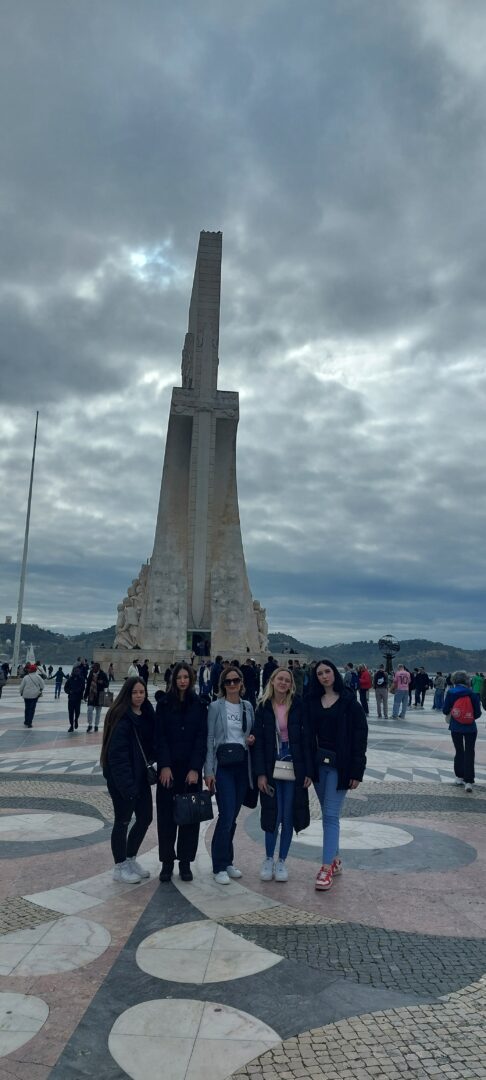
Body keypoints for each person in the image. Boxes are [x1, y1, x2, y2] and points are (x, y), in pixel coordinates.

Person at [304, 659, 367, 891]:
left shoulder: (350, 702)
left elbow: (360, 737)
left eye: (327, 671)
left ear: (334, 673)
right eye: (319, 673)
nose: (324, 676)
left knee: (330, 816)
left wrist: (357, 771)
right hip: (319, 765)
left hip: (340, 766)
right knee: (328, 815)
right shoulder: (312, 701)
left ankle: (325, 868)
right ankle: (335, 860)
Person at [254, 667, 312, 882]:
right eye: (280, 679)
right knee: (273, 814)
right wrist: (260, 773)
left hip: (293, 764)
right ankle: (268, 858)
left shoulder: (298, 705)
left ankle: (281, 861)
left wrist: (308, 771)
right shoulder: (262, 706)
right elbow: (259, 742)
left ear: (291, 684)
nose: (283, 683)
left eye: (287, 680)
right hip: (271, 764)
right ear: (272, 681)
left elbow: (306, 740)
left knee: (288, 815)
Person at [156, 662, 208, 883]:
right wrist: (164, 765)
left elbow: (201, 738)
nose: (182, 681)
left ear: (191, 679)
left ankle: (185, 862)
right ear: (173, 679)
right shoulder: (163, 704)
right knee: (166, 817)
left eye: (186, 677)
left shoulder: (200, 705)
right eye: (179, 677)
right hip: (168, 770)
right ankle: (167, 862)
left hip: (190, 770)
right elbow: (159, 736)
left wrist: (196, 768)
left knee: (190, 816)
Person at [100, 676, 155, 883]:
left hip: (141, 778)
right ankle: (120, 866)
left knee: (145, 818)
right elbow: (117, 756)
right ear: (127, 694)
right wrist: (127, 787)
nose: (139, 696)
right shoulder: (121, 717)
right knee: (122, 821)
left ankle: (130, 859)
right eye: (135, 692)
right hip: (123, 781)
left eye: (142, 692)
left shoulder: (147, 714)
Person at [204, 665, 255, 884]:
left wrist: (251, 739)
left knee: (233, 817)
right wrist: (208, 771)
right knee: (225, 815)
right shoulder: (216, 707)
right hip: (223, 765)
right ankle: (218, 865)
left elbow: (250, 732)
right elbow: (209, 738)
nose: (232, 684)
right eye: (228, 681)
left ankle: (227, 861)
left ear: (241, 683)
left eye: (236, 680)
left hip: (242, 765)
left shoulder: (248, 706)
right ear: (223, 685)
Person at [443, 671, 481, 793]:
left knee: (459, 751)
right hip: (470, 728)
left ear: (454, 680)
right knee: (470, 752)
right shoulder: (472, 693)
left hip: (456, 727)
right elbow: (478, 713)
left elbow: (445, 710)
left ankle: (459, 776)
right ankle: (469, 781)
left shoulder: (451, 693)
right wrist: (468, 717)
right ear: (466, 680)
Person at [84, 662, 109, 732]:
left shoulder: (103, 674)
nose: (93, 669)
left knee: (98, 712)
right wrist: (85, 695)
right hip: (91, 694)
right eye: (93, 668)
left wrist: (102, 682)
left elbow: (107, 684)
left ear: (98, 668)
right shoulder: (91, 673)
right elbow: (88, 684)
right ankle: (90, 725)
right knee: (89, 709)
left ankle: (96, 725)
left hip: (100, 695)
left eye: (94, 668)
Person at [65, 662, 86, 732]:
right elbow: (66, 687)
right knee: (71, 713)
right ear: (73, 672)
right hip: (71, 699)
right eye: (75, 671)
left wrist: (77, 691)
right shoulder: (70, 679)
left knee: (77, 712)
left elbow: (83, 687)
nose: (76, 672)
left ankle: (76, 719)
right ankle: (71, 726)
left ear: (79, 672)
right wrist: (69, 691)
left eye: (77, 671)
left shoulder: (81, 679)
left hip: (78, 698)